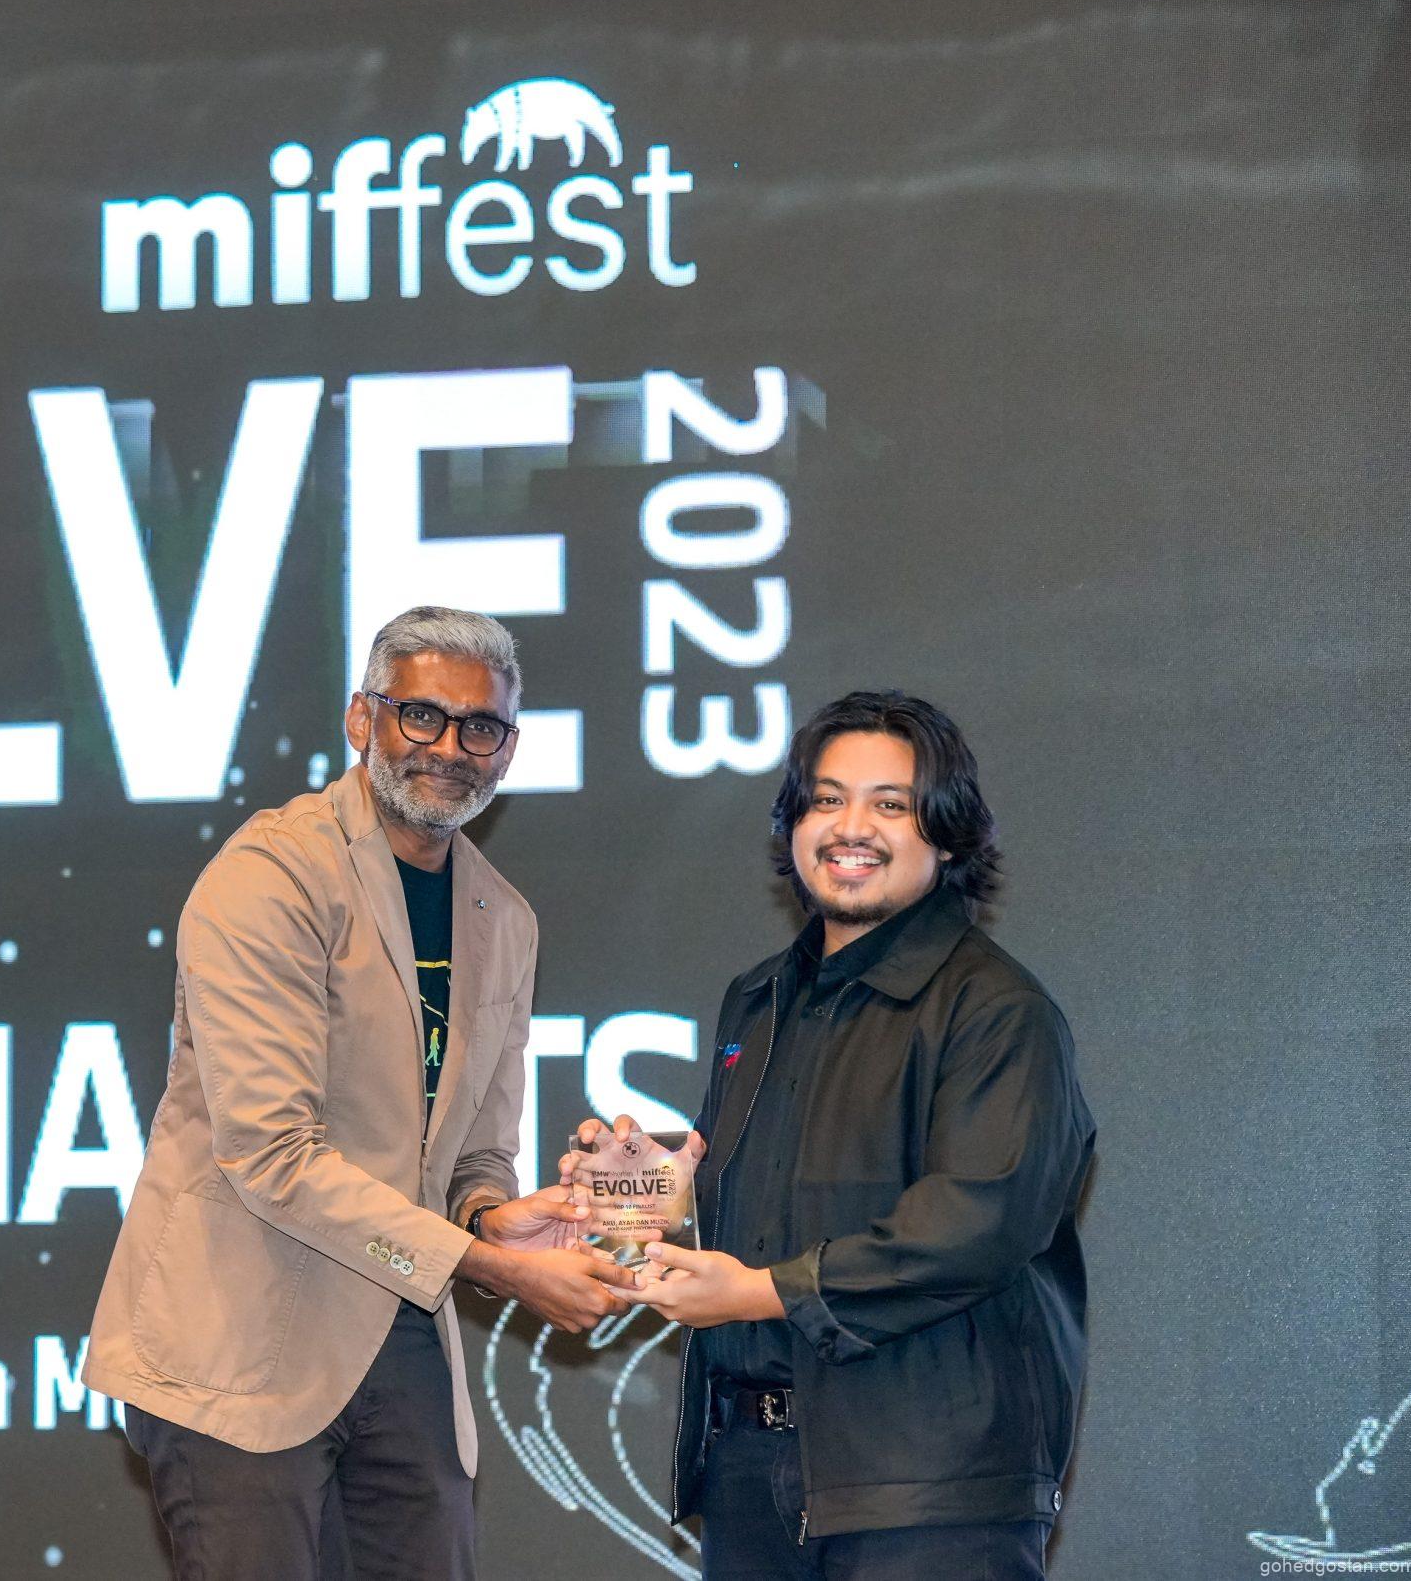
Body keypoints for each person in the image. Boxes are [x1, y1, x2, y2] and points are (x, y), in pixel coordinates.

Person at [84, 606, 637, 1580]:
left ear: (508, 749)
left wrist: (497, 1217)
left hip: (402, 1334)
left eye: (481, 727)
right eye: (421, 715)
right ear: (361, 719)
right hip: (241, 1338)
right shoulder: (272, 876)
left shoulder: (504, 920)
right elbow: (271, 1155)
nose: (450, 748)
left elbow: (474, 1156)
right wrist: (484, 1262)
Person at [572, 690, 1094, 1579]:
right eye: (825, 799)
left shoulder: (999, 1010)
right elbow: (766, 1197)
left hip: (929, 1486)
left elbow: (976, 1225)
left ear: (948, 834)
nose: (851, 826)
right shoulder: (760, 997)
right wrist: (649, 1200)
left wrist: (757, 1291)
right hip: (749, 1467)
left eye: (890, 803)